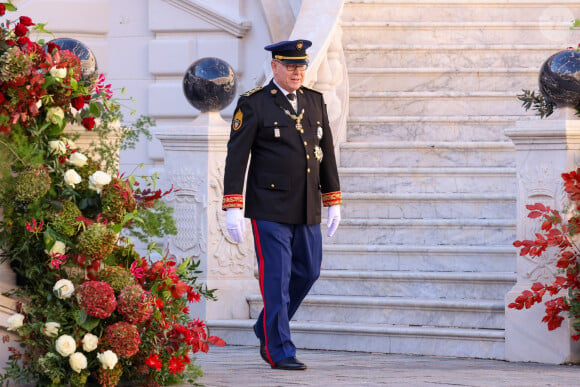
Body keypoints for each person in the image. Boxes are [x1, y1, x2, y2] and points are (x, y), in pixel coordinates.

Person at [222, 39, 342, 371]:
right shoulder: (255, 104)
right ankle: (279, 348)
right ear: (274, 67)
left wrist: (333, 200)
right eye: (290, 66)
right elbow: (237, 158)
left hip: (307, 205)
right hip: (269, 207)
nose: (297, 72)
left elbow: (326, 153)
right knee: (276, 278)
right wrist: (233, 205)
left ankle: (265, 326)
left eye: (301, 66)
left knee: (309, 271)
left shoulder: (314, 101)